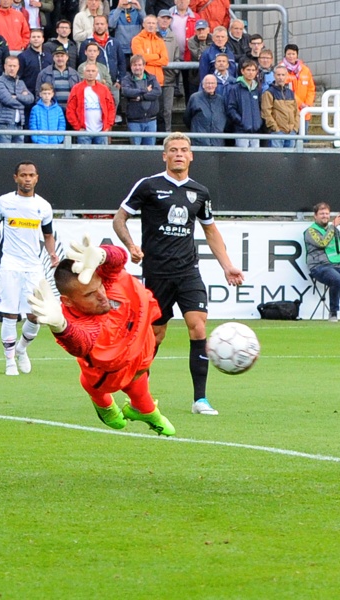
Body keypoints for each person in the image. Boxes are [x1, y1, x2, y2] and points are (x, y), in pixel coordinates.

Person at [113, 132, 245, 416]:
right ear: (164, 155)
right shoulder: (148, 186)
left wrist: (227, 265)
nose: (179, 154)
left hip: (188, 271)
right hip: (156, 273)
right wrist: (131, 245)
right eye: (173, 150)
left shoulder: (200, 192)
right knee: (155, 336)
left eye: (184, 150)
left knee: (198, 326)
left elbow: (210, 230)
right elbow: (119, 218)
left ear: (191, 155)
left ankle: (200, 400)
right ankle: (139, 398)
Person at [26, 237, 176, 436]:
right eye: (89, 295)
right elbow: (81, 342)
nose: (102, 296)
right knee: (104, 383)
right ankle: (103, 404)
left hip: (138, 342)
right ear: (68, 302)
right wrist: (61, 327)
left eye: (100, 287)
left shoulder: (104, 278)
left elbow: (119, 259)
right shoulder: (83, 323)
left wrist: (103, 254)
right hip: (109, 372)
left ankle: (143, 411)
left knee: (140, 379)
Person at [0, 161, 59, 375]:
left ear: (37, 178)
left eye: (31, 175)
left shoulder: (43, 206)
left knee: (35, 315)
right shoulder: (4, 203)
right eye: (23, 175)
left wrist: (52, 254)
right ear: (15, 177)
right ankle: (9, 362)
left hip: (33, 267)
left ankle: (21, 349)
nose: (27, 179)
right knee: (10, 314)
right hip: (10, 265)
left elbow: (48, 235)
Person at [66, 61, 114, 143]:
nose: (90, 73)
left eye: (93, 71)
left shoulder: (104, 89)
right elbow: (70, 110)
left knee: (101, 156)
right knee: (84, 155)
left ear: (97, 73)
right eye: (88, 71)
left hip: (101, 132)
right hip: (84, 132)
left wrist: (107, 126)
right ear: (84, 73)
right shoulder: (76, 88)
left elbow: (111, 108)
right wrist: (77, 127)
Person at [120, 53, 160, 145]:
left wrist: (141, 97)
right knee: (135, 151)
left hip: (151, 121)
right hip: (134, 121)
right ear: (131, 66)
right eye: (135, 65)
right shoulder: (127, 79)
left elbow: (157, 92)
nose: (137, 67)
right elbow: (127, 91)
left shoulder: (152, 78)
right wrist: (145, 90)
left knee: (150, 152)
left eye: (139, 65)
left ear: (144, 65)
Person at [0, 54, 33, 142]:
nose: (12, 68)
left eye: (14, 66)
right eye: (10, 66)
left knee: (18, 155)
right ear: (5, 66)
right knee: (4, 155)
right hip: (2, 124)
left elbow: (31, 99)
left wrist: (16, 96)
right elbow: (8, 100)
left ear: (18, 67)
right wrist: (23, 101)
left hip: (19, 125)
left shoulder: (21, 83)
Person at [224, 57, 261, 147]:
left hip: (256, 130)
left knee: (255, 157)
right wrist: (241, 122)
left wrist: (259, 122)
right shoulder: (235, 88)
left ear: (256, 72)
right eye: (248, 70)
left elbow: (260, 107)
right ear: (242, 71)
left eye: (253, 70)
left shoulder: (257, 88)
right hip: (241, 131)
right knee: (243, 157)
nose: (250, 72)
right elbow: (231, 109)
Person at [261, 64, 298, 147]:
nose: (280, 77)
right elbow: (266, 113)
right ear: (274, 76)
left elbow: (296, 112)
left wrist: (295, 128)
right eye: (278, 75)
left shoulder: (291, 93)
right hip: (277, 132)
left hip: (291, 132)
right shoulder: (269, 92)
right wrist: (275, 128)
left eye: (283, 75)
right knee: (277, 158)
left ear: (286, 76)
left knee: (290, 158)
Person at [184, 72, 225, 145]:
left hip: (217, 142)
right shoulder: (195, 98)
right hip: (199, 142)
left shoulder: (221, 100)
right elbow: (187, 118)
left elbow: (224, 119)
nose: (210, 86)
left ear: (216, 85)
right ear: (203, 85)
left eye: (212, 83)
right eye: (207, 83)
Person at [131, 13, 168, 86]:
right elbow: (141, 58)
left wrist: (147, 62)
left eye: (153, 23)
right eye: (149, 23)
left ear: (156, 25)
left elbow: (165, 61)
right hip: (143, 80)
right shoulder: (137, 40)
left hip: (158, 80)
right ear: (143, 24)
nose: (151, 25)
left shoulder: (160, 41)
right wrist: (157, 56)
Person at [281, 43, 314, 121]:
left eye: (293, 54)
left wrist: (308, 104)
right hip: (289, 111)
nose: (291, 56)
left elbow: (311, 89)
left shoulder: (305, 70)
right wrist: (300, 104)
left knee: (304, 132)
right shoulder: (281, 69)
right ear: (285, 55)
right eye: (289, 54)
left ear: (297, 55)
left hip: (305, 112)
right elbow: (284, 90)